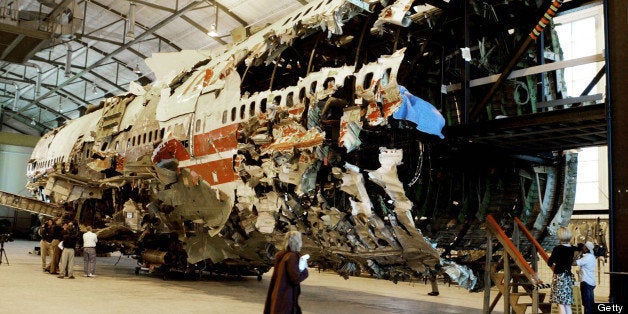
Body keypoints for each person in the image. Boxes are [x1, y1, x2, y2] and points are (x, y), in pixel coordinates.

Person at [264, 231, 309, 314]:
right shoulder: (292, 257)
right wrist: (304, 270)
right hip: (286, 296)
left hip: (278, 293)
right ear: (297, 242)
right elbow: (295, 278)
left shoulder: (281, 255)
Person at [547, 227, 578, 314]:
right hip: (568, 276)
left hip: (559, 277)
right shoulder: (572, 249)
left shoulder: (557, 249)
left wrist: (555, 266)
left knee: (560, 303)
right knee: (567, 303)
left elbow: (550, 262)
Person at [576, 241, 596, 314]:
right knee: (590, 303)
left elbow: (574, 263)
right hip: (591, 282)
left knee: (587, 304)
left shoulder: (587, 258)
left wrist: (579, 253)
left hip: (586, 282)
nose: (582, 247)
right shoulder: (592, 256)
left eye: (584, 246)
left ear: (586, 249)